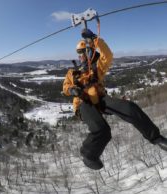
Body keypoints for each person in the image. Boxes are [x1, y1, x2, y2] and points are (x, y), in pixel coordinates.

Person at [63, 28, 167, 170]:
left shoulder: (96, 68)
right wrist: (72, 89)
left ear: (90, 52)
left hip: (101, 99)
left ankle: (155, 138)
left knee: (130, 108)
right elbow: (65, 86)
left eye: (84, 52)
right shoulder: (72, 73)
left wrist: (95, 39)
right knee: (103, 130)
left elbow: (108, 55)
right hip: (83, 103)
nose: (81, 56)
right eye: (79, 53)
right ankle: (89, 153)